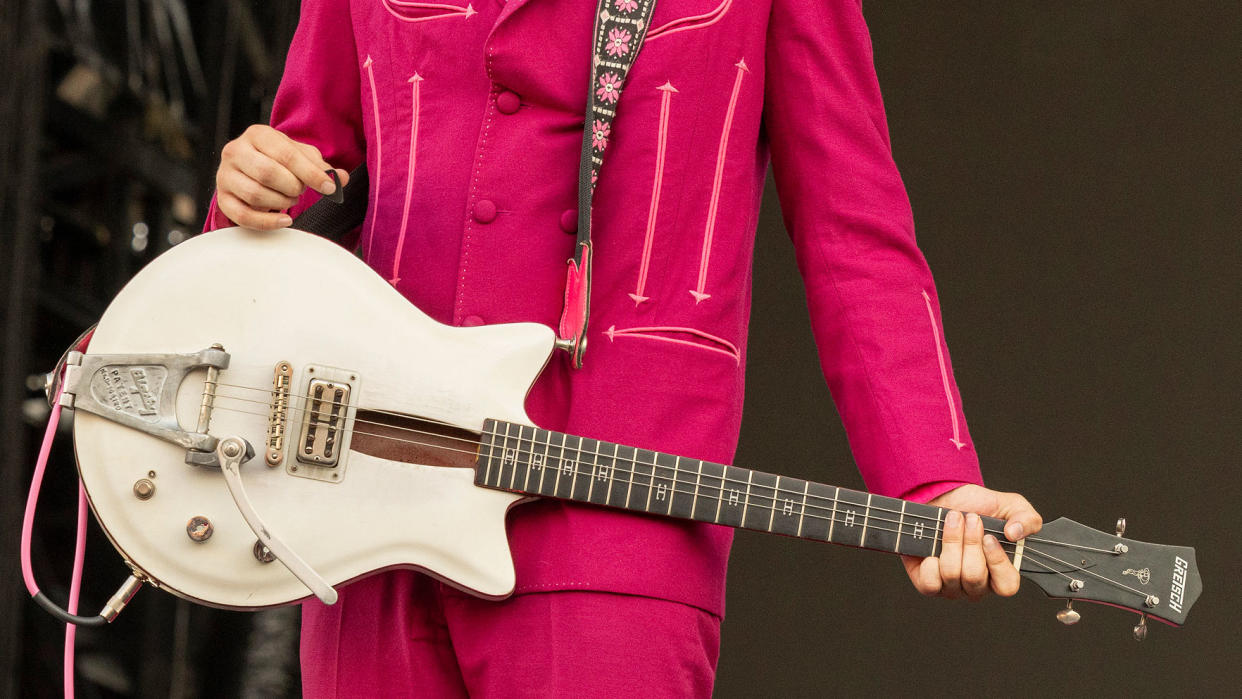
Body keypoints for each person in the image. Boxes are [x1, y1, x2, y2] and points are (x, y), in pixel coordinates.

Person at [209, 1, 1042, 696]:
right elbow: (310, 175)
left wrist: (932, 473)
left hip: (612, 514)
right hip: (373, 502)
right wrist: (250, 189)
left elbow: (851, 233)